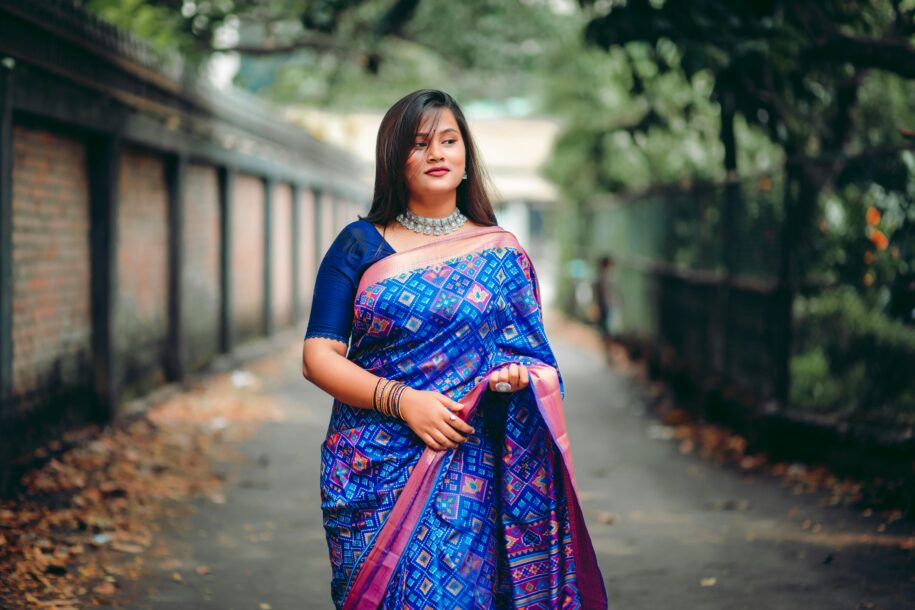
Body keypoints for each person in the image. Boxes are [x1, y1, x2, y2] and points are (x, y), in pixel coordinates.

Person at [301, 89, 607, 609]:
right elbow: (318, 356)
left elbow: (536, 363)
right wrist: (403, 401)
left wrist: (516, 377)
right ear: (395, 160)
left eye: (449, 140)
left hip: (466, 466)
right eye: (420, 144)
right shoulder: (359, 243)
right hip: (371, 470)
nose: (437, 153)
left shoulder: (501, 253)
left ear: (467, 158)